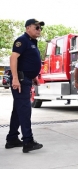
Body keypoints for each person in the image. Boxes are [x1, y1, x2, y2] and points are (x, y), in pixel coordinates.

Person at [5, 19, 44, 153]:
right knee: (25, 110)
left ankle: (12, 139)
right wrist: (15, 79)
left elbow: (27, 62)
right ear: (28, 28)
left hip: (26, 79)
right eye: (37, 27)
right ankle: (28, 141)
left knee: (18, 110)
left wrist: (33, 77)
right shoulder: (22, 40)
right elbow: (13, 58)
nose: (39, 30)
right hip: (20, 80)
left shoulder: (32, 42)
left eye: (40, 28)